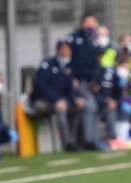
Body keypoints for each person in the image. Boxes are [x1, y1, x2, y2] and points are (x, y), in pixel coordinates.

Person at [29, 39, 82, 152]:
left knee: (76, 109)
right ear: (58, 50)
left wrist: (74, 98)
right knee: (61, 110)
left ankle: (73, 141)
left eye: (68, 49)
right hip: (42, 101)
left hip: (61, 100)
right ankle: (66, 143)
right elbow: (40, 86)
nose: (66, 52)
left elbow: (69, 88)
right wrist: (57, 100)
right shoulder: (47, 64)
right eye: (64, 49)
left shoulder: (68, 67)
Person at [66, 12, 102, 150]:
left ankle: (90, 139)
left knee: (93, 107)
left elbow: (97, 63)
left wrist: (95, 81)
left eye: (93, 22)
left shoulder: (94, 40)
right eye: (88, 22)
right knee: (90, 106)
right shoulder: (74, 39)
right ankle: (88, 140)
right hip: (76, 82)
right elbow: (69, 61)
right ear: (83, 23)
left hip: (89, 83)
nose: (91, 25)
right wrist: (72, 79)